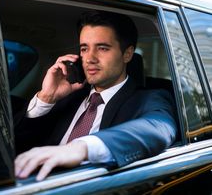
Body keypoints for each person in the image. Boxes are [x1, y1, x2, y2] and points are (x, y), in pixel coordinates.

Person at [14, 10, 177, 181]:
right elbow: (14, 147)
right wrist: (46, 98)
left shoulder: (149, 99)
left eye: (102, 48)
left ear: (127, 54)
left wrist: (81, 148)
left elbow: (159, 127)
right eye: (84, 48)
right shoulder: (66, 97)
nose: (89, 58)